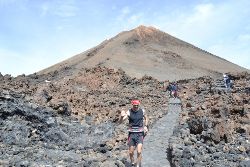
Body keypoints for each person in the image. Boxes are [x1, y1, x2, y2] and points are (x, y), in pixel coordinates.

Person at [119, 99, 149, 167]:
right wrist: (121, 116)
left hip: (140, 134)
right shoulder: (129, 112)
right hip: (132, 134)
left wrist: (146, 126)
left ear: (139, 104)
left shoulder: (142, 111)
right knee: (131, 152)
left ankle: (138, 164)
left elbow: (146, 118)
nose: (136, 107)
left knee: (139, 151)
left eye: (137, 105)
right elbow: (120, 122)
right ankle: (132, 161)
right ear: (132, 105)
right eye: (134, 105)